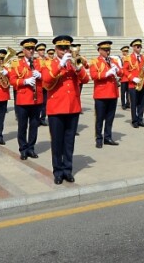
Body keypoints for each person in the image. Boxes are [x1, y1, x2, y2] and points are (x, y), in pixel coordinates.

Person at [41, 35, 90, 184]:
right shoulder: (48, 63)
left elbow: (86, 80)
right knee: (57, 142)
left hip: (72, 108)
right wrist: (60, 65)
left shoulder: (73, 63)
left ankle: (67, 170)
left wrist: (78, 68)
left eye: (67, 48)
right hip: (56, 109)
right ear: (56, 49)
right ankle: (57, 171)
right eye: (61, 48)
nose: (65, 51)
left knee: (69, 141)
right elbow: (46, 81)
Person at [9, 38, 43, 160]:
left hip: (36, 99)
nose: (31, 51)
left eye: (32, 48)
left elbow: (48, 78)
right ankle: (23, 148)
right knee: (22, 126)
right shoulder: (16, 63)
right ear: (23, 50)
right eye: (28, 49)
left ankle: (31, 148)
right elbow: (12, 80)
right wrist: (24, 81)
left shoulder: (40, 63)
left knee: (34, 125)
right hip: (23, 99)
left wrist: (41, 76)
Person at [89, 41, 121, 148]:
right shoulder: (95, 61)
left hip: (112, 93)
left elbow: (121, 73)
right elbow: (93, 75)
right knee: (100, 118)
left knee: (110, 117)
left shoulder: (112, 60)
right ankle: (99, 138)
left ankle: (108, 137)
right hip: (101, 94)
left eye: (109, 50)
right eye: (105, 50)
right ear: (100, 51)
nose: (108, 52)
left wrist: (117, 68)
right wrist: (106, 73)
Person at [124, 39, 144, 128]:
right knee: (134, 103)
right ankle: (134, 120)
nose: (139, 48)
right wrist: (132, 78)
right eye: (137, 46)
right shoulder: (128, 58)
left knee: (142, 103)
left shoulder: (143, 58)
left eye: (140, 46)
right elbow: (124, 70)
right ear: (133, 47)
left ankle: (140, 119)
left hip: (142, 83)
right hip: (133, 84)